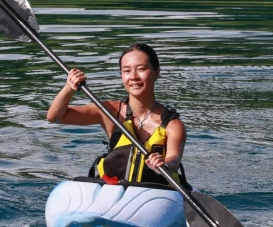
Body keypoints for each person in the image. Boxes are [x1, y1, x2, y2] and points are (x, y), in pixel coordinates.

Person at [46, 42, 187, 187]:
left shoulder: (172, 124)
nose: (133, 77)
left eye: (141, 69)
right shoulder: (109, 112)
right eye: (126, 71)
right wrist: (69, 88)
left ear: (156, 73)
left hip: (158, 192)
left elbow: (174, 160)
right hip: (115, 190)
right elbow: (55, 116)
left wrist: (164, 165)